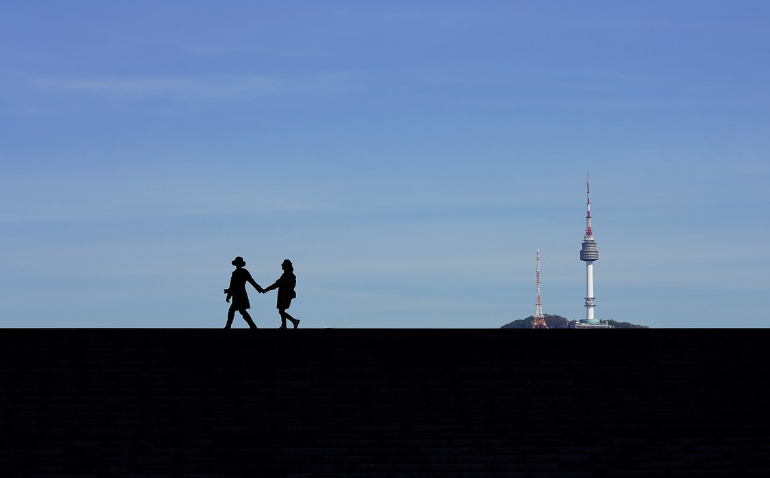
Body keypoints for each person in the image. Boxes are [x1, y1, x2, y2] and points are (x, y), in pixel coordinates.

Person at [224, 256, 264, 329]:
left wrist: (259, 289)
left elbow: (251, 281)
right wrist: (229, 294)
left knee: (235, 310)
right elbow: (232, 285)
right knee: (241, 311)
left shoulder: (244, 272)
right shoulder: (234, 273)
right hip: (236, 295)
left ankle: (228, 326)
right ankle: (252, 326)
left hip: (240, 294)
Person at [263, 259, 300, 329]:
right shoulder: (285, 275)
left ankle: (292, 321)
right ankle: (285, 324)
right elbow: (277, 284)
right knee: (281, 310)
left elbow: (290, 285)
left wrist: (267, 289)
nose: (282, 266)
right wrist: (267, 289)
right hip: (283, 294)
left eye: (283, 265)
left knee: (281, 310)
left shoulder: (290, 275)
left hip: (285, 295)